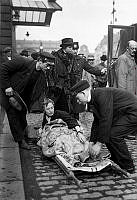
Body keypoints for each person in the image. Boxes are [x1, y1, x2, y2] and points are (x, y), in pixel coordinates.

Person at [70, 80, 137, 173]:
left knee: (113, 135)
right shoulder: (94, 97)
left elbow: (106, 119)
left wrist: (99, 144)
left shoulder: (101, 95)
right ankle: (116, 160)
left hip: (133, 112)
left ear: (83, 93)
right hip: (124, 113)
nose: (78, 102)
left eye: (78, 98)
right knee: (107, 133)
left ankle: (128, 166)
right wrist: (91, 142)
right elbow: (97, 121)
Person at [0, 52, 55, 150]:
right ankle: (20, 140)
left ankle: (23, 134)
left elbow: (38, 91)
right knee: (13, 116)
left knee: (22, 116)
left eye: (50, 66)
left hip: (22, 98)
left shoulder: (42, 75)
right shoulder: (23, 62)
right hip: (9, 93)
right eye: (47, 65)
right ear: (40, 61)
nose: (48, 68)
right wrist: (7, 87)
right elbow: (3, 68)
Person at [51, 38, 107, 115]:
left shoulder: (81, 60)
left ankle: (75, 122)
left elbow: (90, 69)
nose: (74, 51)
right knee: (63, 108)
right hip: (64, 87)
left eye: (76, 49)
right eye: (73, 49)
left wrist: (100, 72)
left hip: (76, 87)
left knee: (75, 108)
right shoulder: (63, 58)